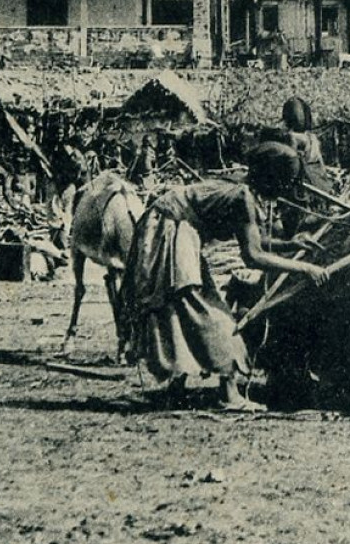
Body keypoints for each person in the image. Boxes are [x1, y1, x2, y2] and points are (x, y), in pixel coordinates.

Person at [120, 142, 330, 410]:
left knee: (185, 304)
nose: (288, 187)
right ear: (272, 177)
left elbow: (255, 240)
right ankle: (228, 394)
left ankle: (177, 384)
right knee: (206, 311)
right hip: (169, 228)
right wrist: (305, 268)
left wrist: (292, 244)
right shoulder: (242, 197)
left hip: (175, 227)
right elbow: (252, 256)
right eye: (286, 180)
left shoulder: (243, 190)